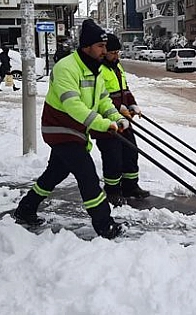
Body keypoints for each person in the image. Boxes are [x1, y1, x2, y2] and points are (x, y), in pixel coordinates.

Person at [13, 19, 129, 239]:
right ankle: (105, 225)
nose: (105, 50)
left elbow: (103, 100)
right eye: (101, 46)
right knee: (87, 175)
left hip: (76, 130)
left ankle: (26, 209)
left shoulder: (95, 69)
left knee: (54, 173)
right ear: (87, 47)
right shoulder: (66, 68)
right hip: (60, 128)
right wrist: (104, 124)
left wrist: (115, 116)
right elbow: (73, 105)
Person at [92, 34, 150, 206]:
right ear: (104, 52)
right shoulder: (98, 70)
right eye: (113, 52)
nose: (116, 56)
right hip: (107, 123)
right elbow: (100, 98)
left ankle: (130, 186)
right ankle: (113, 191)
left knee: (131, 152)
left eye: (118, 52)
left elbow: (125, 90)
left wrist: (132, 104)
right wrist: (119, 109)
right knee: (113, 157)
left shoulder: (117, 67)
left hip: (123, 120)